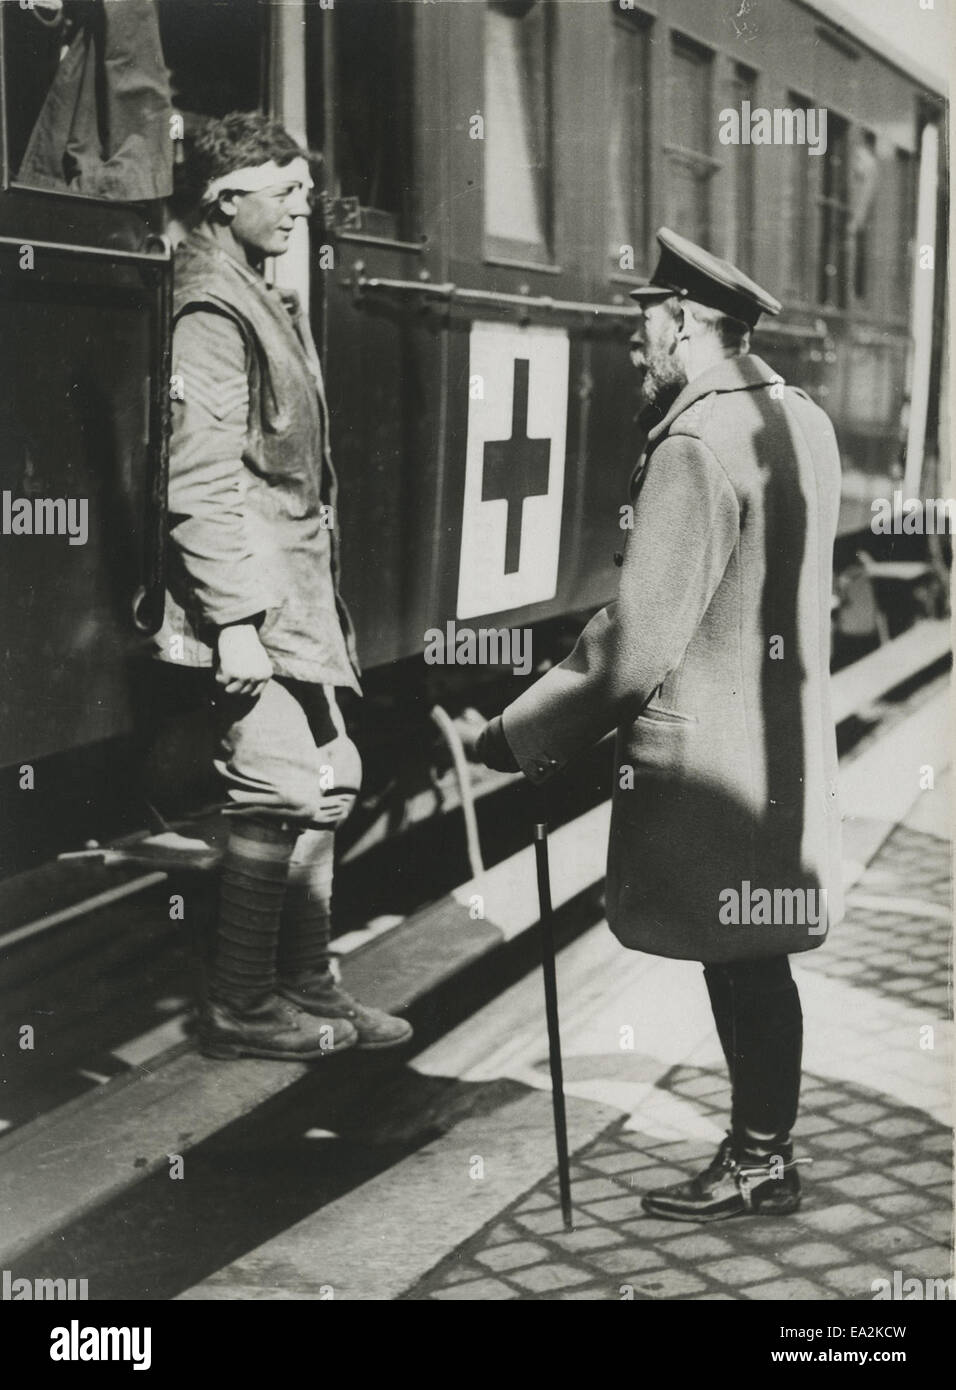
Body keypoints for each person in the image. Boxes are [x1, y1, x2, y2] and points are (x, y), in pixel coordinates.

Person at [477, 228, 843, 1221]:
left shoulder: (693, 444)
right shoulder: (800, 417)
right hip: (778, 751)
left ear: (683, 323)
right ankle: (762, 1153)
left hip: (712, 762)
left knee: (742, 960)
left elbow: (632, 647)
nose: (635, 345)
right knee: (752, 954)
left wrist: (518, 733)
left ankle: (760, 1161)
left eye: (644, 324)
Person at [157, 112, 411, 1060]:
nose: (307, 206)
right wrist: (233, 623)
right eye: (287, 190)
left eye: (305, 189)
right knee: (275, 782)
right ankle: (240, 1008)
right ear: (225, 198)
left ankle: (306, 985)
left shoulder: (257, 293)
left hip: (291, 593)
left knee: (333, 777)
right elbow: (199, 482)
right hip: (247, 597)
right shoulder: (211, 308)